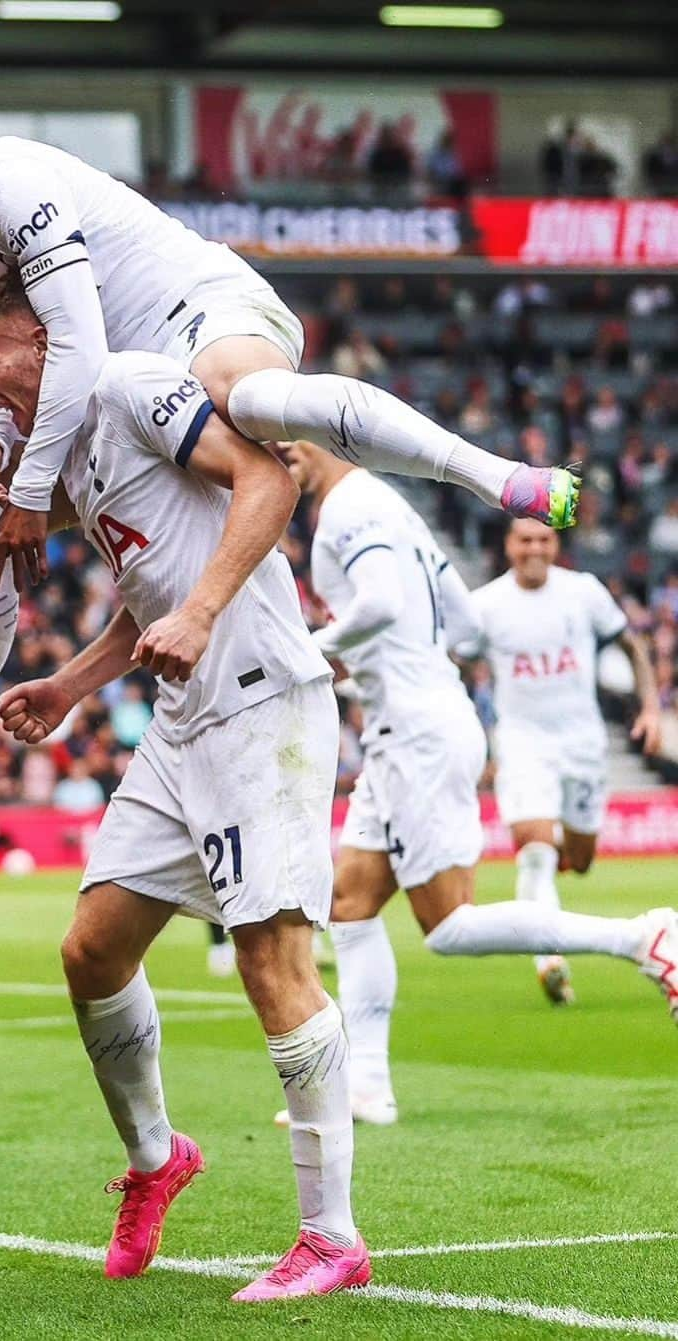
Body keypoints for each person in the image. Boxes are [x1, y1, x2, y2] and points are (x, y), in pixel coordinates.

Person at [0, 34, 578, 846]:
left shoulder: (8, 180)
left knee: (240, 397)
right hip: (119, 391)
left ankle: (496, 477)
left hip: (196, 316)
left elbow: (75, 345)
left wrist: (34, 496)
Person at [0, 274, 369, 1300]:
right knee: (91, 950)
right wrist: (68, 684)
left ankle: (332, 1238)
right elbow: (150, 596)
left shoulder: (131, 386)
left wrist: (198, 614)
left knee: (272, 961)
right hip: (185, 721)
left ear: (43, 342)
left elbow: (270, 484)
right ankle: (158, 1160)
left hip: (262, 705)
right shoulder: (78, 454)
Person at [277, 445, 676, 1127]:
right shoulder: (392, 507)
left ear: (316, 436)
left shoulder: (347, 507)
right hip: (411, 724)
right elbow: (461, 623)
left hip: (417, 731)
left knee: (449, 924)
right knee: (351, 901)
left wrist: (299, 655)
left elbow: (375, 603)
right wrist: (384, 663)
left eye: (284, 435)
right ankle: (366, 1084)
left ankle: (644, 936)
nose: (276, 449)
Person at [470, 518, 666, 1006]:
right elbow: (455, 665)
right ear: (508, 546)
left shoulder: (584, 591)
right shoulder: (485, 606)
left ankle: (551, 873)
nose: (534, 548)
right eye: (524, 540)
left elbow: (632, 646)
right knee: (535, 851)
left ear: (555, 544)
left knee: (577, 860)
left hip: (582, 745)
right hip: (522, 744)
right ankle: (549, 959)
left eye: (543, 539)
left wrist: (649, 708)